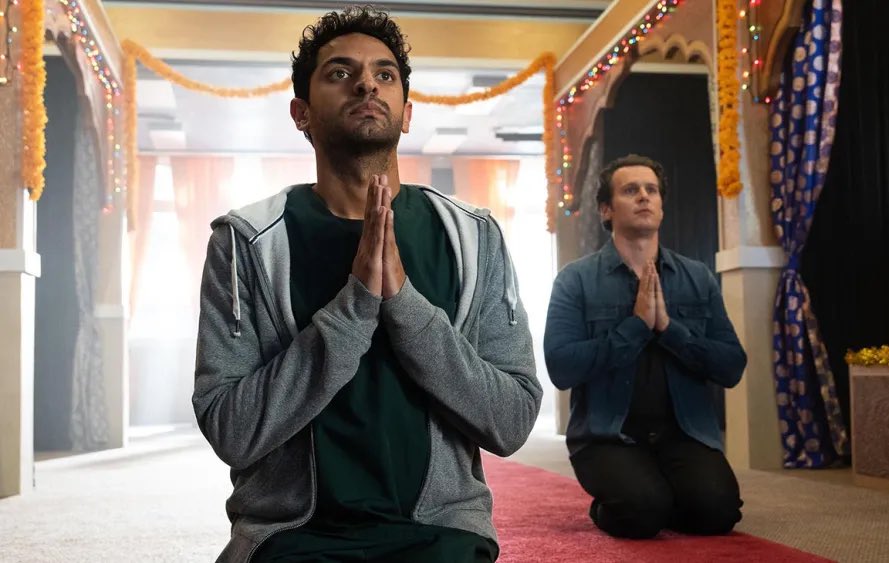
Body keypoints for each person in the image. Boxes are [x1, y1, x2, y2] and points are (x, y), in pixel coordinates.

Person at [192, 7, 541, 562]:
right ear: (300, 113)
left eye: (385, 75)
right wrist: (354, 306)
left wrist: (404, 305)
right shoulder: (246, 242)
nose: (365, 84)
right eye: (339, 72)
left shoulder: (472, 237)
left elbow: (513, 420)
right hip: (292, 538)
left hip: (440, 533)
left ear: (406, 113)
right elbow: (231, 429)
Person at [543, 154, 746, 539]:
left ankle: (662, 495)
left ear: (662, 207)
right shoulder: (575, 280)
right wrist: (636, 326)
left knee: (717, 513)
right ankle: (627, 501)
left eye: (651, 190)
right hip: (608, 435)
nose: (644, 197)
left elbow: (731, 365)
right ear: (606, 209)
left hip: (684, 434)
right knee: (640, 514)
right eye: (630, 190)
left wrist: (669, 329)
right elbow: (561, 366)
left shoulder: (696, 277)